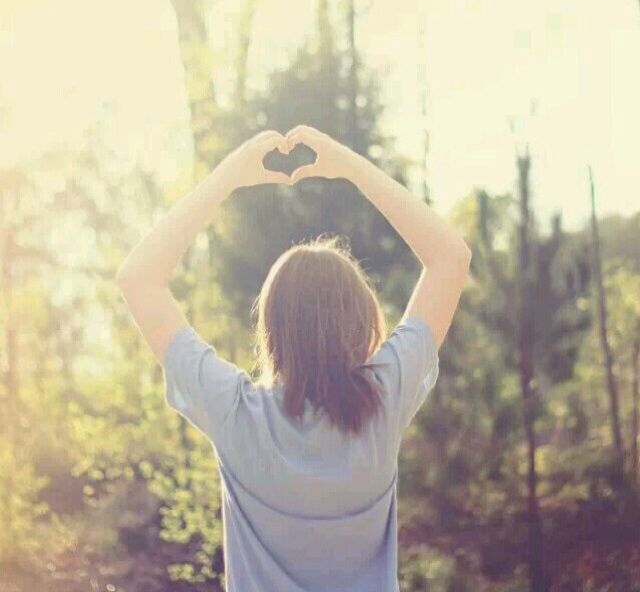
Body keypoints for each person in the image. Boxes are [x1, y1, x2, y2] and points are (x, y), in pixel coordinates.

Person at [116, 125, 472, 592]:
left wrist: (227, 177)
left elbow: (139, 279)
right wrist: (351, 166)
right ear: (361, 321)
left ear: (271, 329)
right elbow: (450, 257)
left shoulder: (235, 412)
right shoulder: (384, 401)